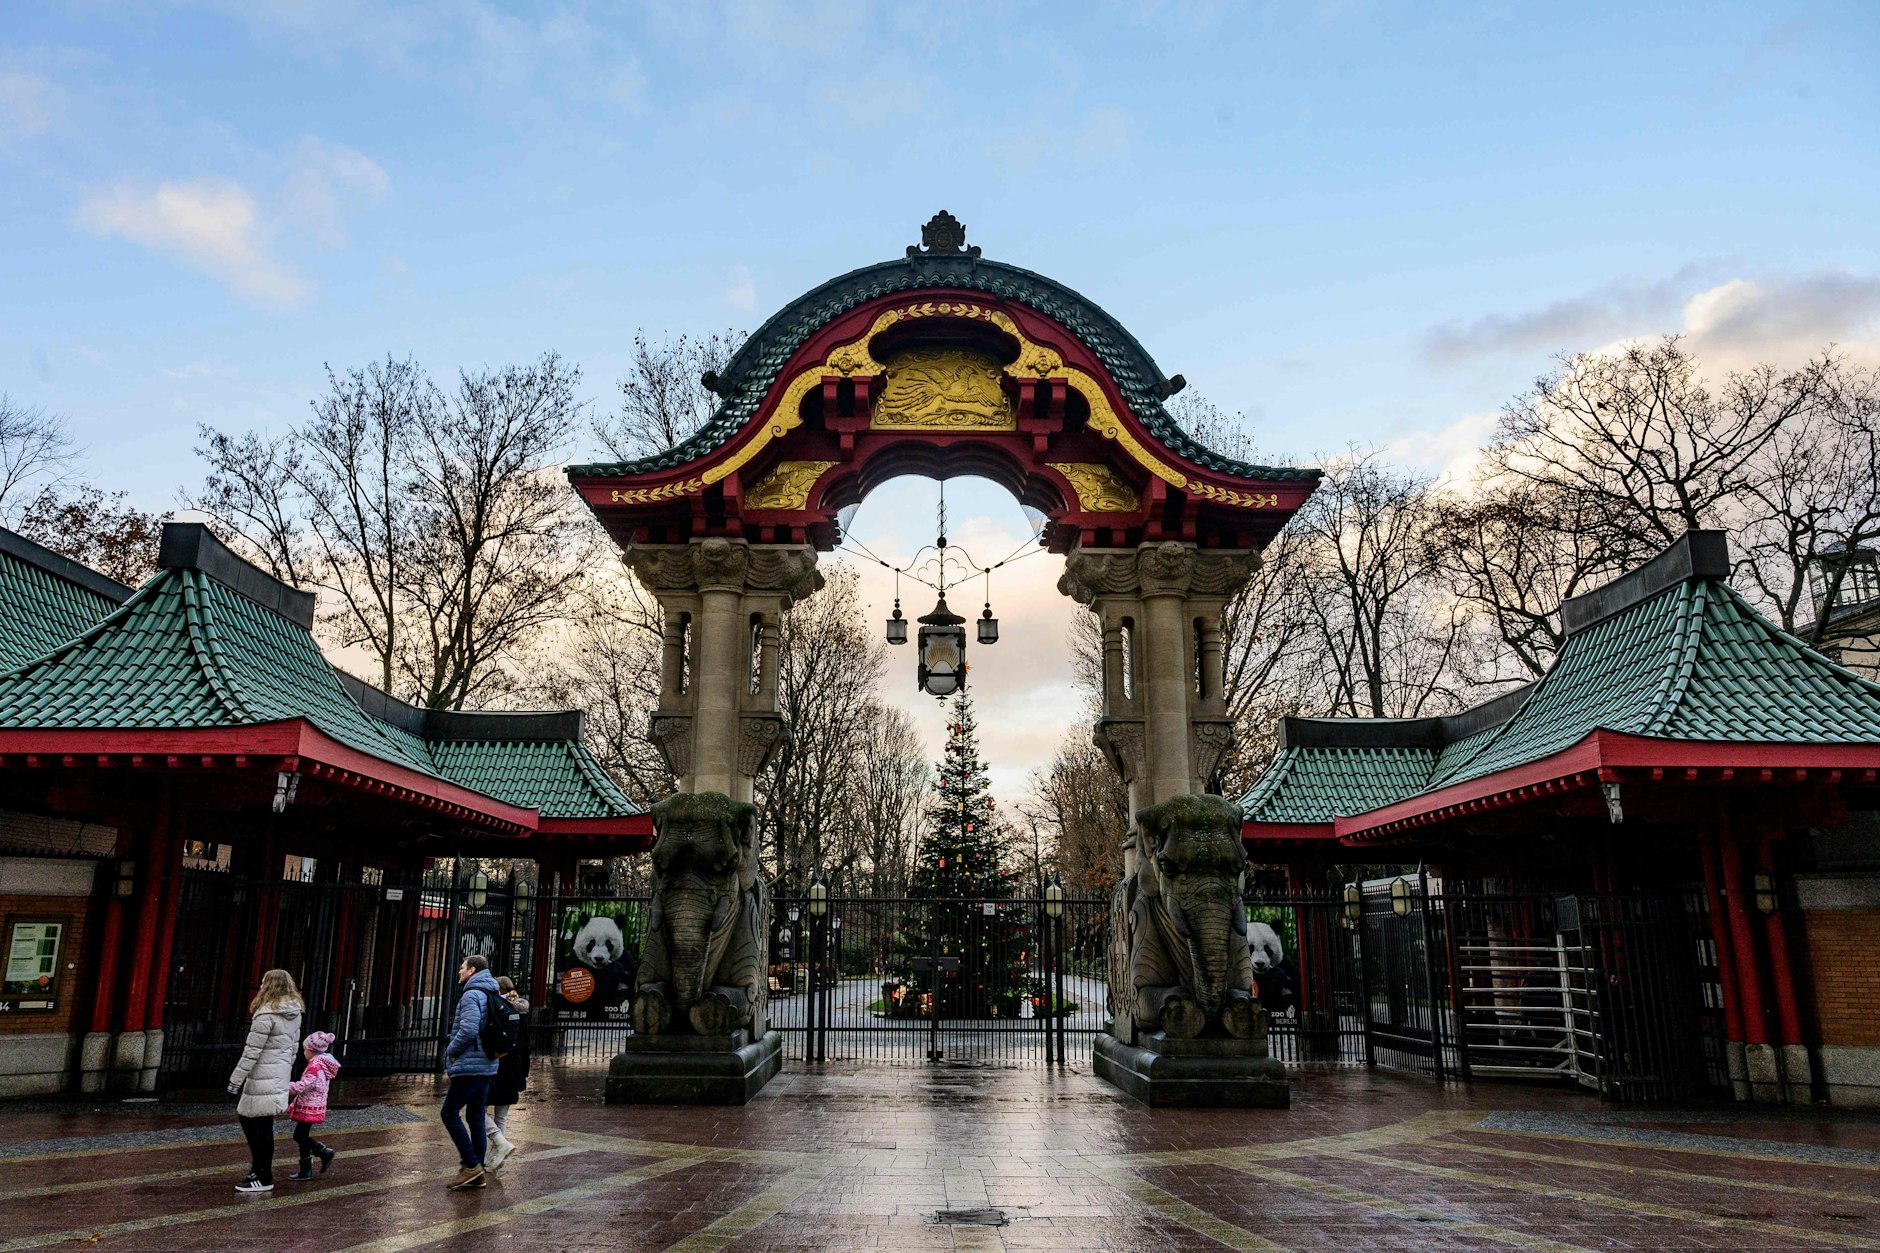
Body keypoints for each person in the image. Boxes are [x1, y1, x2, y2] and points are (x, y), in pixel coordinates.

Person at [228, 968, 304, 1195]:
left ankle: (263, 1174)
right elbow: (293, 1047)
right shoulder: (294, 1012)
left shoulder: (266, 1014)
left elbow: (252, 1051)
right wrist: (284, 1070)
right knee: (259, 1120)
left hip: (263, 1072)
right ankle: (259, 1169)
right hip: (278, 1071)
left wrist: (235, 1079)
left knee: (256, 1122)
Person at [440, 953, 501, 1191]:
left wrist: (451, 1051)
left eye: (462, 967)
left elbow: (467, 1029)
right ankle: (478, 1173)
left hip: (469, 1066)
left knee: (449, 1113)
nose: (459, 971)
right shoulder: (491, 992)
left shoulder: (472, 994)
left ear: (473, 971)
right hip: (487, 1064)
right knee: (475, 1116)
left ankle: (471, 1164)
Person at [484, 976, 531, 1170]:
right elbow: (526, 1047)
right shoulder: (522, 1012)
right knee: (501, 1115)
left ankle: (498, 1141)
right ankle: (497, 1156)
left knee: (477, 1107)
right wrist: (524, 1074)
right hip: (514, 1069)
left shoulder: (499, 1011)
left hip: (498, 1066)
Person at [285, 1031, 340, 1180]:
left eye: (304, 1050)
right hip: (315, 1103)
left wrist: (284, 1086)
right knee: (302, 1135)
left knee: (299, 1135)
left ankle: (322, 1153)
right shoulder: (323, 1063)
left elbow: (304, 1085)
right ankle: (306, 1169)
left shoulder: (314, 1066)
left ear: (310, 1050)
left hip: (309, 1105)